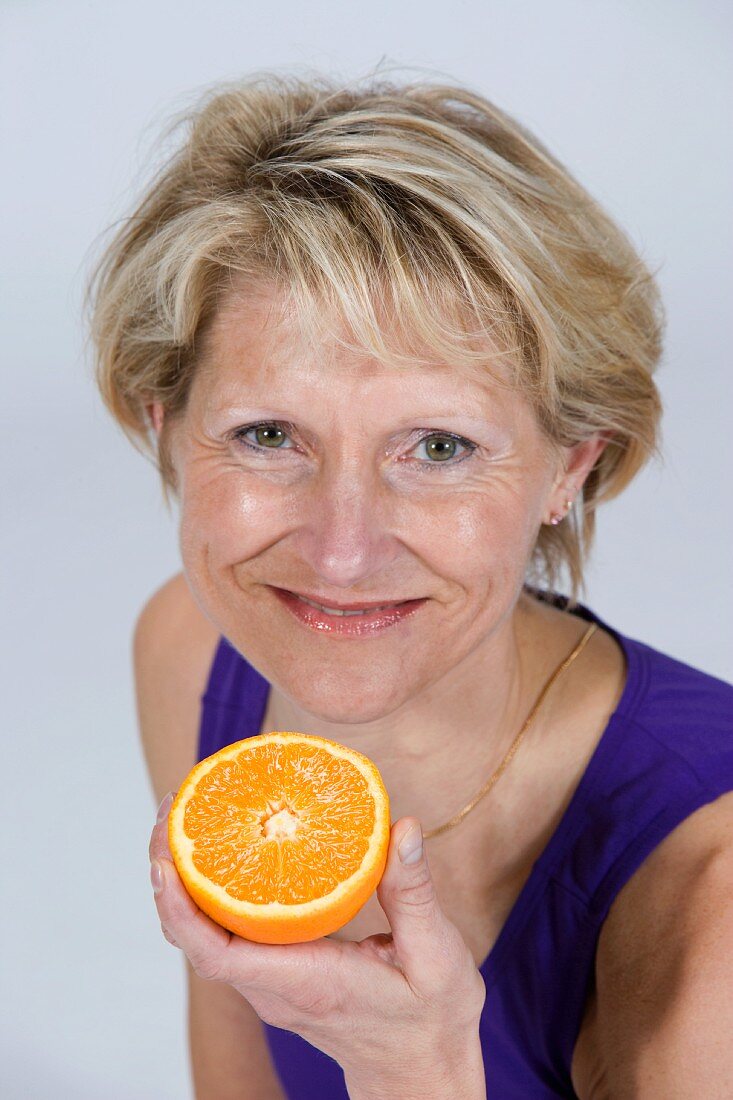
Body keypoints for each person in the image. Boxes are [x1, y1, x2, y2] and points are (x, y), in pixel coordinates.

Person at [86, 71, 733, 1099]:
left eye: (437, 445)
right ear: (164, 428)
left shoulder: (711, 907)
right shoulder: (194, 651)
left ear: (569, 464)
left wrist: (415, 1069)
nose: (341, 550)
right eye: (266, 434)